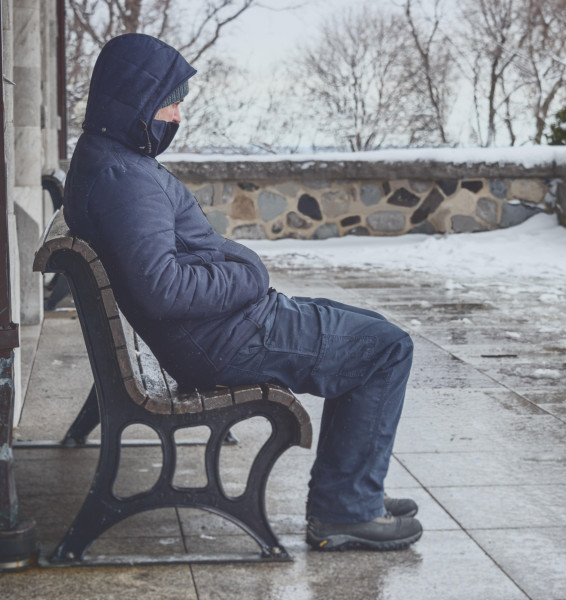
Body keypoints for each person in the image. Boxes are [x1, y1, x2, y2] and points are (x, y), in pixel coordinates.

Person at [62, 33, 422, 552]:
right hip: (231, 340)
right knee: (386, 349)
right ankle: (345, 510)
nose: (177, 118)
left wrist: (237, 271)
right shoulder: (124, 178)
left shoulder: (110, 160)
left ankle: (353, 491)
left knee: (369, 331)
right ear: (135, 101)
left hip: (224, 329)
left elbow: (160, 272)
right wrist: (248, 270)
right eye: (171, 103)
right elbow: (162, 288)